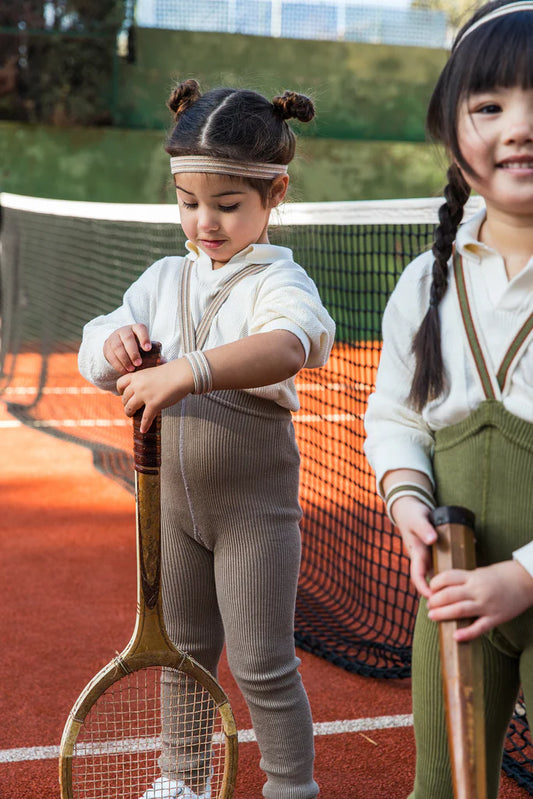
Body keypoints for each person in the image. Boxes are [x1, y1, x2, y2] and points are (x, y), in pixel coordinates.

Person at [78, 78, 335, 799]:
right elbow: (95, 346)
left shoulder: (277, 279)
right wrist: (115, 343)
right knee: (181, 652)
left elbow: (288, 344)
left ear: (274, 194)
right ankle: (179, 781)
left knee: (261, 661)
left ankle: (290, 787)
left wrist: (188, 371)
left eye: (226, 205)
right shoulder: (162, 277)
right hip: (170, 511)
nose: (204, 223)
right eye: (188, 203)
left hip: (252, 510)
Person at [364, 2, 533, 796]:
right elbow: (395, 416)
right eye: (490, 104)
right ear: (448, 129)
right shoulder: (424, 281)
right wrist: (406, 495)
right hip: (454, 591)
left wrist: (523, 577)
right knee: (439, 786)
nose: (518, 127)